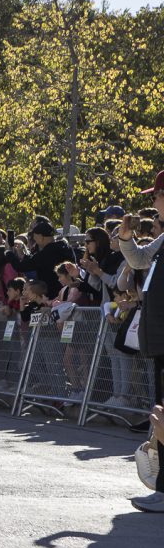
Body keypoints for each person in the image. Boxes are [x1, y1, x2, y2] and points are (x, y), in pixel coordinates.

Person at [115, 172, 164, 512]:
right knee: (161, 411)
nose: (154, 202)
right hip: (159, 335)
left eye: (158, 195)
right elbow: (139, 259)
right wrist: (126, 236)